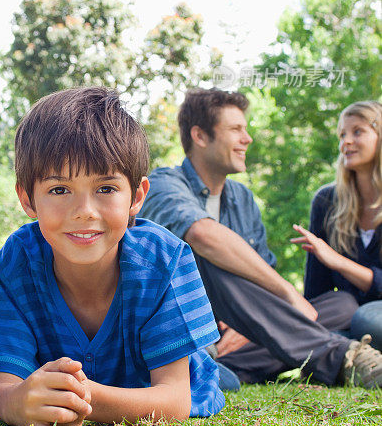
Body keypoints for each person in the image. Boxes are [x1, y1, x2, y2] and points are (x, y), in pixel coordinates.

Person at [0, 87, 224, 426]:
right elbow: (0, 387)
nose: (85, 212)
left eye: (106, 189)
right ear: (27, 199)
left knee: (216, 373)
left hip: (181, 377)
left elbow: (174, 400)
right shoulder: (17, 262)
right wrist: (18, 404)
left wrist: (79, 397)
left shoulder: (164, 260)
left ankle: (209, 354)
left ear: (137, 197)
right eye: (60, 190)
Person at [139, 87, 382, 388]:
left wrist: (251, 324)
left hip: (241, 330)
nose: (247, 138)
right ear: (200, 136)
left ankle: (225, 367)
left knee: (343, 304)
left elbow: (260, 277)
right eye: (236, 129)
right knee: (210, 253)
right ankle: (340, 355)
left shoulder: (242, 198)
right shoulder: (163, 184)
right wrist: (287, 293)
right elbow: (203, 235)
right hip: (187, 326)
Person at [292, 100, 382, 351]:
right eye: (342, 134)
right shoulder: (326, 201)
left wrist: (339, 261)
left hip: (373, 320)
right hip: (344, 318)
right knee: (335, 313)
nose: (346, 142)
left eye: (357, 131)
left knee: (367, 321)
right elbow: (317, 296)